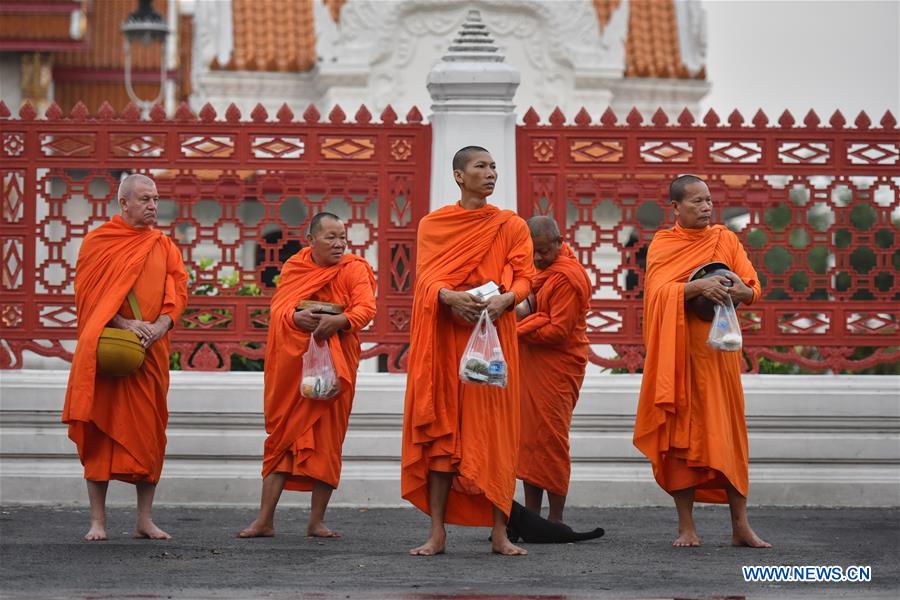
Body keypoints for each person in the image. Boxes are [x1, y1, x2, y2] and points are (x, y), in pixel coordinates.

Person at [401, 146, 535, 556]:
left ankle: (500, 533)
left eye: (494, 166)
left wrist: (507, 300)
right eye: (481, 166)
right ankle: (437, 532)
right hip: (447, 339)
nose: (491, 173)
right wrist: (447, 296)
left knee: (495, 433)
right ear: (460, 175)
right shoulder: (434, 224)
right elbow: (425, 280)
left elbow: (526, 278)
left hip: (493, 338)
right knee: (444, 434)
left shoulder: (511, 225)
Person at [633, 174, 771, 548]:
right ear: (676, 207)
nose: (706, 207)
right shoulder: (664, 244)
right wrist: (698, 286)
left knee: (729, 437)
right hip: (681, 357)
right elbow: (657, 294)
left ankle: (741, 526)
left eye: (708, 200)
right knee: (681, 440)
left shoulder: (725, 239)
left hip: (720, 356)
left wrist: (741, 291)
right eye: (697, 201)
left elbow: (752, 286)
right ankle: (687, 527)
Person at [63, 173, 188, 541]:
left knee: (150, 434)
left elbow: (178, 290)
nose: (153, 206)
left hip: (151, 351)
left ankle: (144, 520)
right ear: (124, 203)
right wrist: (124, 323)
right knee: (100, 432)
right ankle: (97, 522)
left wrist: (161, 325)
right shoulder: (99, 242)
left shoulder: (164, 245)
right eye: (145, 199)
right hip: (110, 350)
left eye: (155, 199)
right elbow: (90, 298)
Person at [239, 212, 376, 539]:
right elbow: (279, 308)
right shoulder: (295, 266)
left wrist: (339, 321)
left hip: (335, 367)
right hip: (296, 367)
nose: (339, 244)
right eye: (331, 237)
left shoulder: (354, 268)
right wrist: (294, 318)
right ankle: (264, 520)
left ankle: (316, 521)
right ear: (311, 240)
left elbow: (365, 308)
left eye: (342, 237)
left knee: (327, 442)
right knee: (282, 440)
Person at [516, 216, 591, 524]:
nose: (537, 258)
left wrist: (520, 329)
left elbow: (558, 331)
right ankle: (532, 515)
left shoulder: (567, 277)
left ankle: (556, 518)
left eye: (544, 251)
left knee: (551, 439)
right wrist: (535, 320)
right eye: (532, 252)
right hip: (532, 364)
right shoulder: (535, 271)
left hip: (559, 365)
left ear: (560, 243)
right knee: (529, 440)